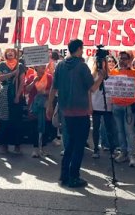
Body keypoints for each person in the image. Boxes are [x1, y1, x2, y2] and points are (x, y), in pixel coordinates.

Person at [47, 39, 105, 188]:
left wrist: (49, 105)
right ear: (79, 49)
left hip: (66, 110)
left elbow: (54, 87)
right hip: (80, 112)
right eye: (82, 48)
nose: (83, 51)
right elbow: (92, 88)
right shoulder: (82, 66)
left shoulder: (60, 65)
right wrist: (101, 76)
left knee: (69, 145)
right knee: (78, 146)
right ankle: (74, 176)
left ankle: (64, 175)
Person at [110, 51, 135, 167]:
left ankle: (131, 155)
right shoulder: (112, 72)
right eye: (120, 58)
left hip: (129, 106)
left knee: (129, 132)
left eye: (124, 58)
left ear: (129, 60)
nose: (122, 60)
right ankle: (123, 153)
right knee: (120, 131)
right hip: (116, 105)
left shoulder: (134, 73)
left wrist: (129, 85)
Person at [0, 48, 26, 154]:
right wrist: (12, 74)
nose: (10, 53)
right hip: (4, 94)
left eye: (12, 51)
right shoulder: (2, 64)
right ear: (5, 54)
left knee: (16, 120)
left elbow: (22, 82)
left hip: (15, 94)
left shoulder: (20, 65)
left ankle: (17, 145)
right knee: (3, 120)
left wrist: (17, 96)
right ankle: (4, 144)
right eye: (8, 51)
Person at [89, 57, 115, 159]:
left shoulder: (111, 74)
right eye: (99, 61)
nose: (101, 63)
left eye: (103, 61)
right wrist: (90, 105)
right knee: (96, 128)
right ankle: (96, 149)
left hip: (107, 105)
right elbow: (91, 90)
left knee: (109, 128)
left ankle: (111, 148)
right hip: (96, 105)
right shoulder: (93, 75)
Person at [25, 65, 53, 158]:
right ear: (36, 68)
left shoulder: (49, 77)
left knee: (46, 126)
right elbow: (26, 90)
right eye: (41, 66)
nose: (43, 68)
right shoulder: (31, 77)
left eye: (44, 66)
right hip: (34, 106)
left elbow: (54, 90)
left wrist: (45, 92)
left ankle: (44, 148)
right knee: (34, 127)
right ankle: (35, 149)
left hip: (46, 105)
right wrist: (34, 82)